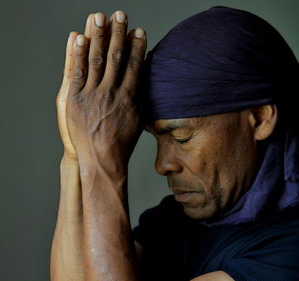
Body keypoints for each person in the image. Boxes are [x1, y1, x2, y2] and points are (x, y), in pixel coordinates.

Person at [50, 6, 299, 281]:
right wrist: (77, 152)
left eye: (182, 137)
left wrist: (104, 161)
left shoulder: (291, 247)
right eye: (157, 137)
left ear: (260, 119)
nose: (162, 164)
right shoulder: (173, 221)